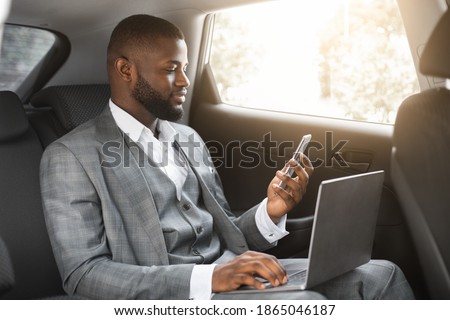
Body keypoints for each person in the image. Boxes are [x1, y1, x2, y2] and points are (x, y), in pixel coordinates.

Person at [40, 14, 414, 300]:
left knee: (382, 274)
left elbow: (227, 236)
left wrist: (271, 211)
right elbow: (83, 275)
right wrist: (210, 278)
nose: (185, 81)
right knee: (312, 302)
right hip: (175, 298)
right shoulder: (69, 157)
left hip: (233, 279)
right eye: (171, 70)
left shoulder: (186, 138)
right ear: (125, 70)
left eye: (185, 68)